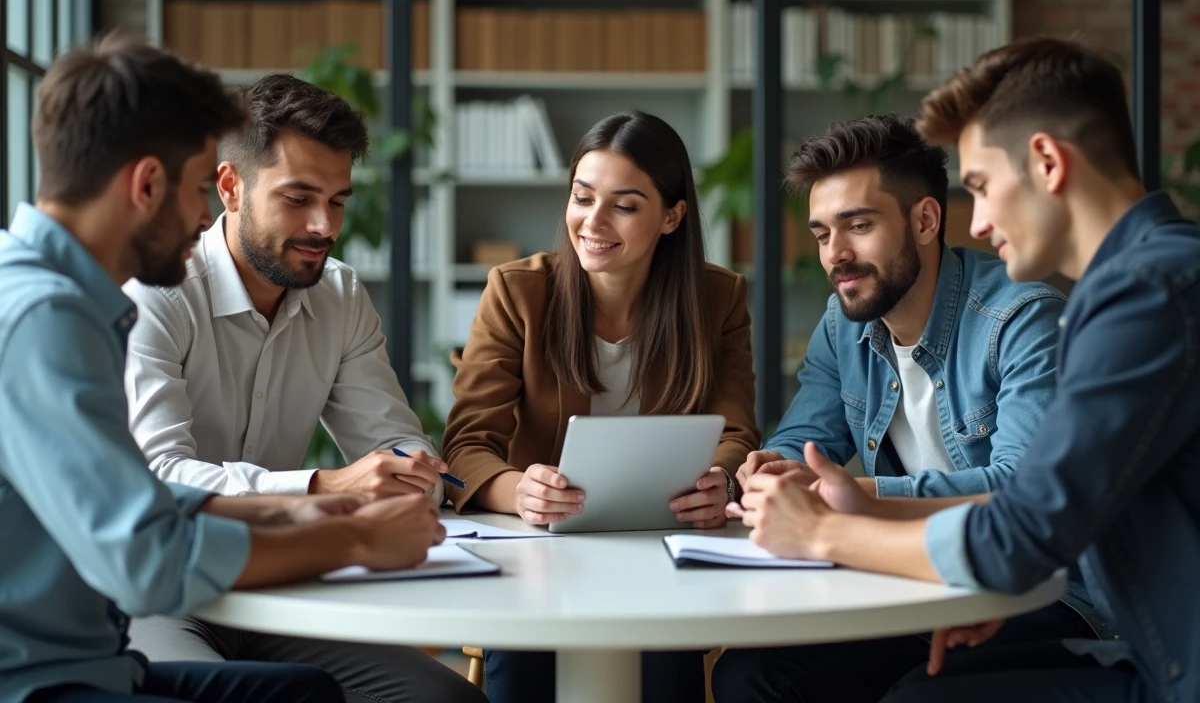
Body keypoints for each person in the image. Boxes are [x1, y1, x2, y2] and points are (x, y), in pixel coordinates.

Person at [733, 37, 1200, 703]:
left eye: (980, 186)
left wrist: (822, 530)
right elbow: (1044, 506)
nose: (977, 223)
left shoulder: (1144, 293)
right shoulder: (1145, 280)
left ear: (1047, 162)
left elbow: (1023, 522)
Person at [0, 35, 448, 703]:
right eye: (196, 189)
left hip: (90, 659)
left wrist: (311, 508)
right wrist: (349, 534)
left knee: (324, 694)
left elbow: (139, 500)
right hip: (44, 678)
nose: (201, 216)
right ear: (147, 185)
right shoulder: (49, 316)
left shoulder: (63, 299)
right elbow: (145, 553)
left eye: (338, 200)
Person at [712, 113, 1099, 702]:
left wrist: (858, 495)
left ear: (924, 220)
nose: (836, 254)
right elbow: (805, 438)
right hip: (913, 577)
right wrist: (774, 471)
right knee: (748, 674)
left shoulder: (1021, 319)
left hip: (1045, 590)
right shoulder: (844, 323)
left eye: (858, 225)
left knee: (918, 692)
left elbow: (1020, 489)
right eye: (822, 234)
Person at [120, 72, 480, 703]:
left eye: (338, 201)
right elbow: (161, 480)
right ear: (230, 187)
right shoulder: (157, 293)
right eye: (298, 198)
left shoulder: (340, 295)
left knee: (446, 700)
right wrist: (325, 487)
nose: (324, 225)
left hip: (280, 586)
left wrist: (409, 472)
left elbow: (393, 440)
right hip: (158, 590)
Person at [441, 110, 760, 702]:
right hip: (540, 551)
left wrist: (722, 481)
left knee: (666, 655)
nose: (593, 221)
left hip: (661, 547)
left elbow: (737, 433)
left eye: (625, 205)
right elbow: (465, 447)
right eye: (582, 197)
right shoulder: (518, 292)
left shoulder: (717, 299)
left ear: (672, 216)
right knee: (523, 647)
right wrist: (519, 491)